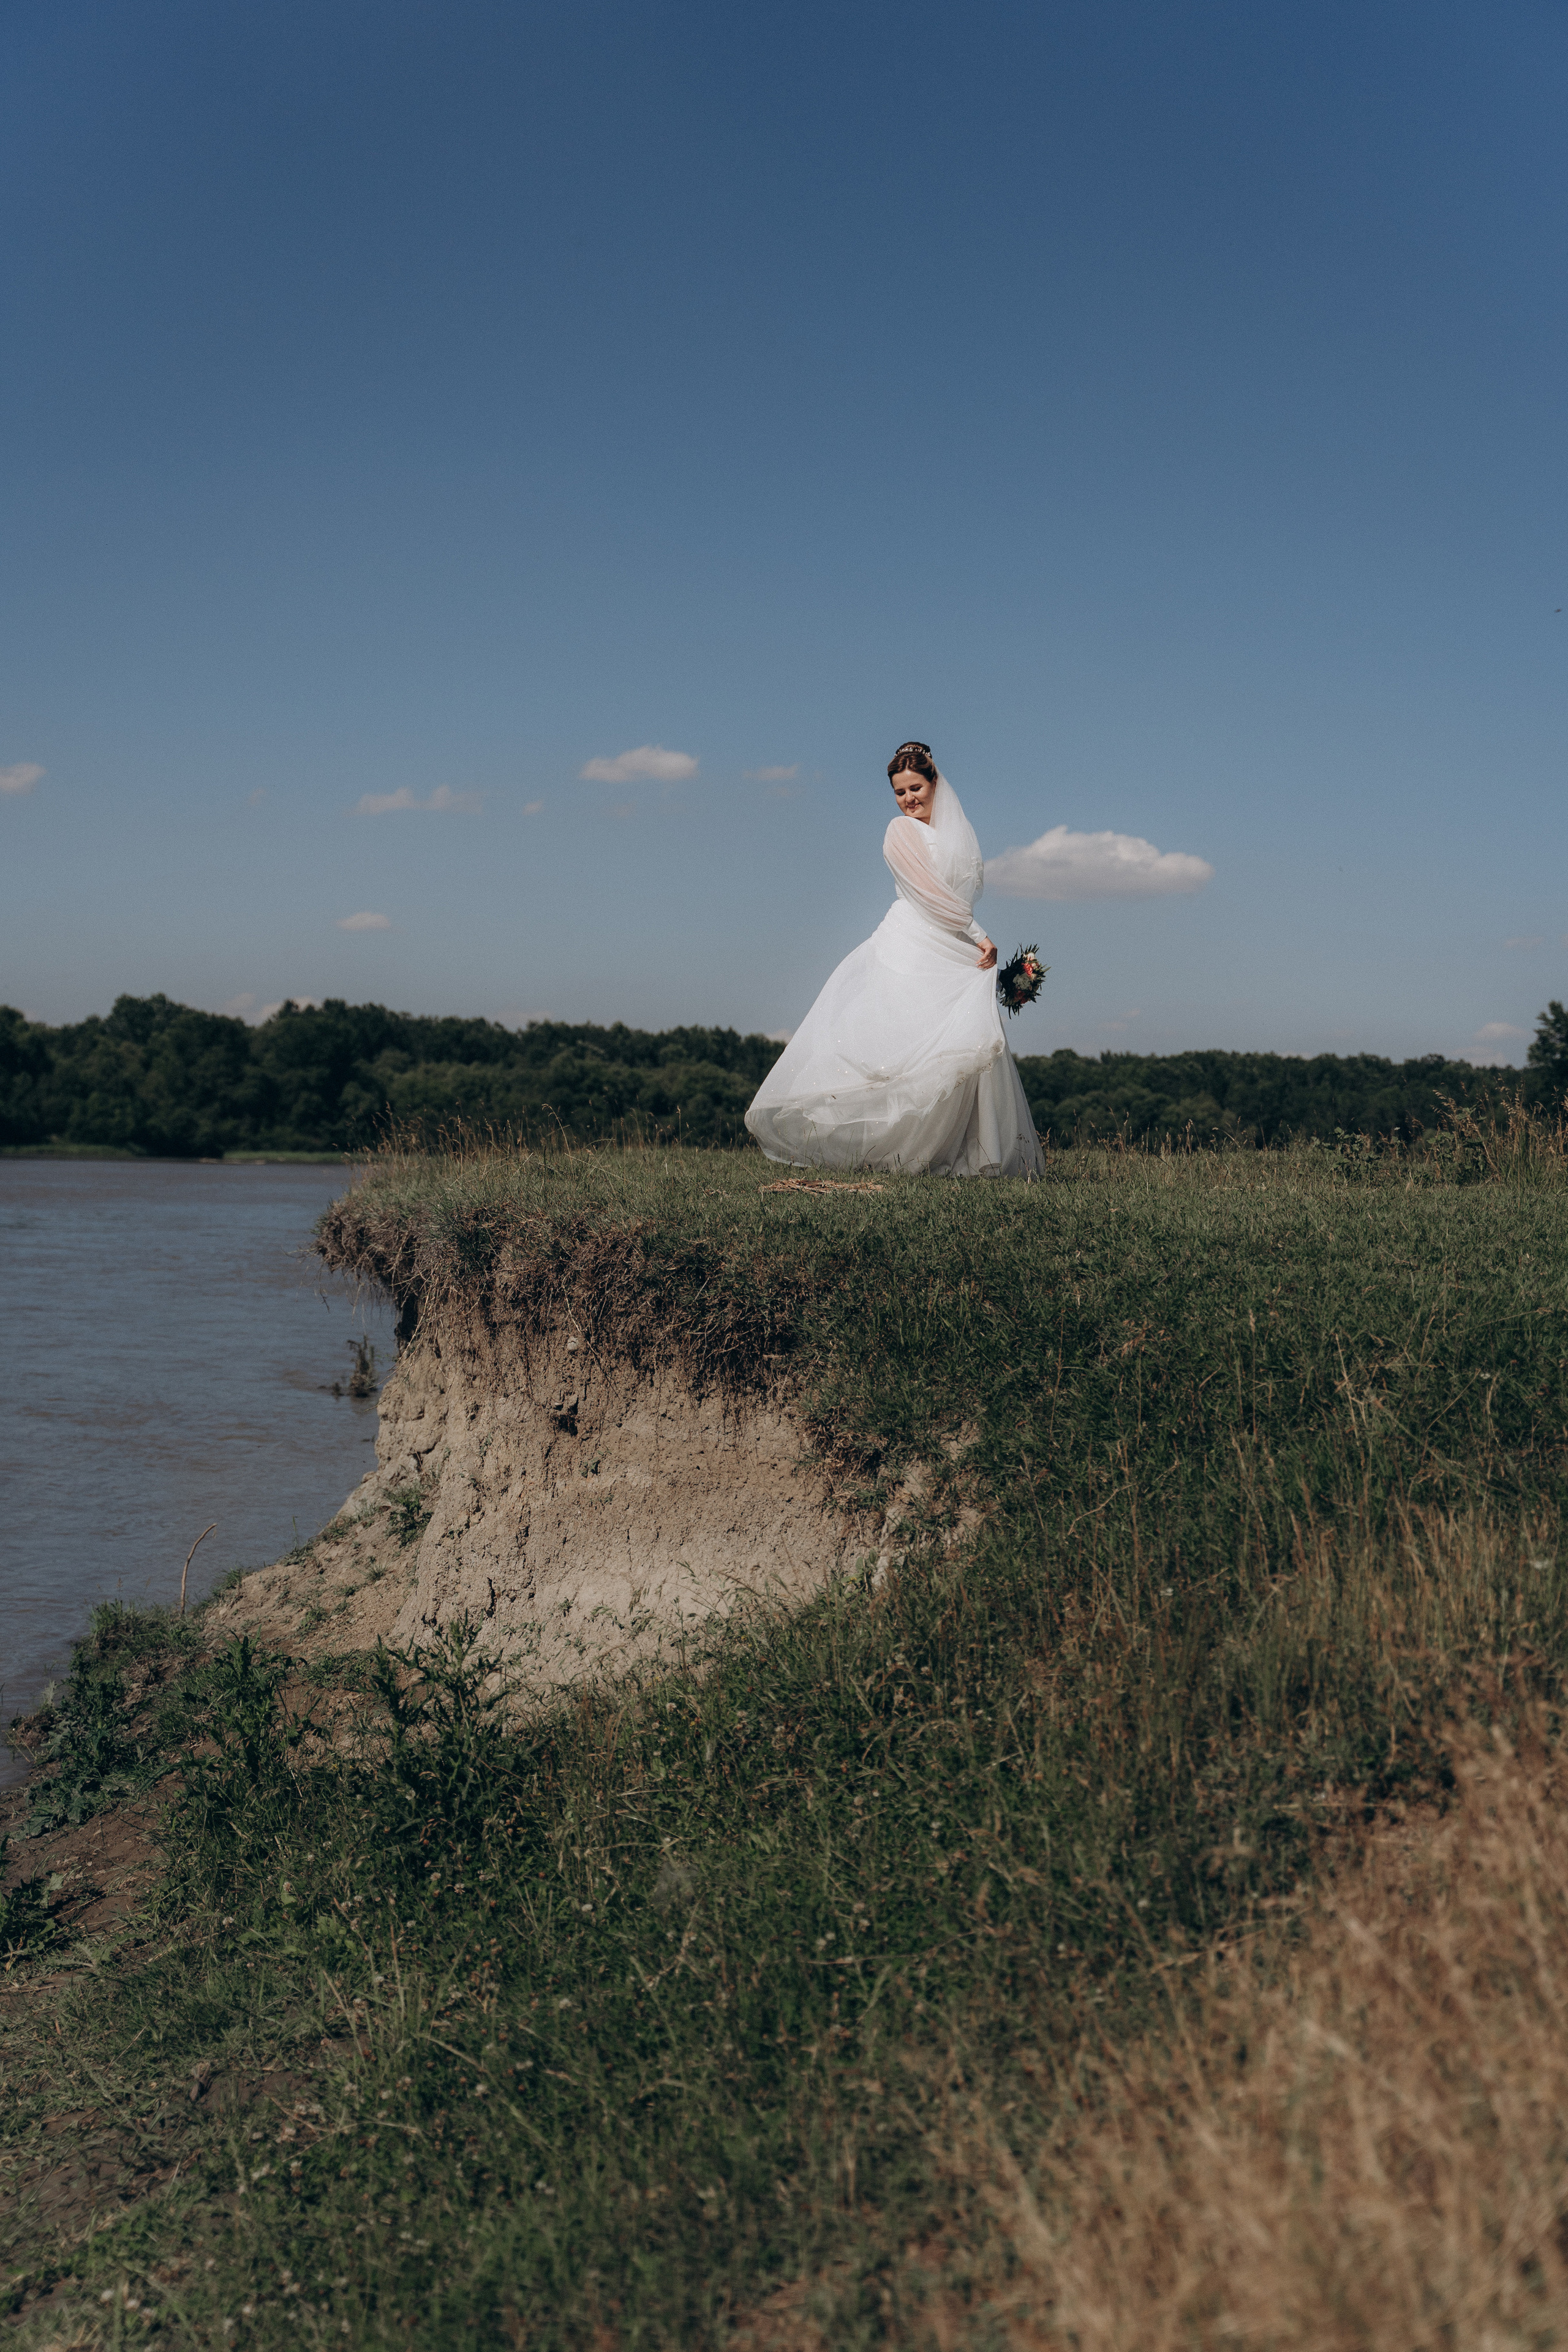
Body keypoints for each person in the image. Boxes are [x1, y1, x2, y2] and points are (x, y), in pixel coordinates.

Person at [745, 742, 1044, 1176]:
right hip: (913, 946)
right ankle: (893, 1152)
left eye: (916, 788)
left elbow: (959, 894)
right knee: (902, 1049)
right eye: (900, 792)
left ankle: (964, 1152)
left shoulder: (957, 837)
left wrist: (974, 943)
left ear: (935, 782)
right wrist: (981, 937)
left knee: (964, 1048)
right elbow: (930, 894)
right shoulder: (900, 832)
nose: (909, 799)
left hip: (954, 950)